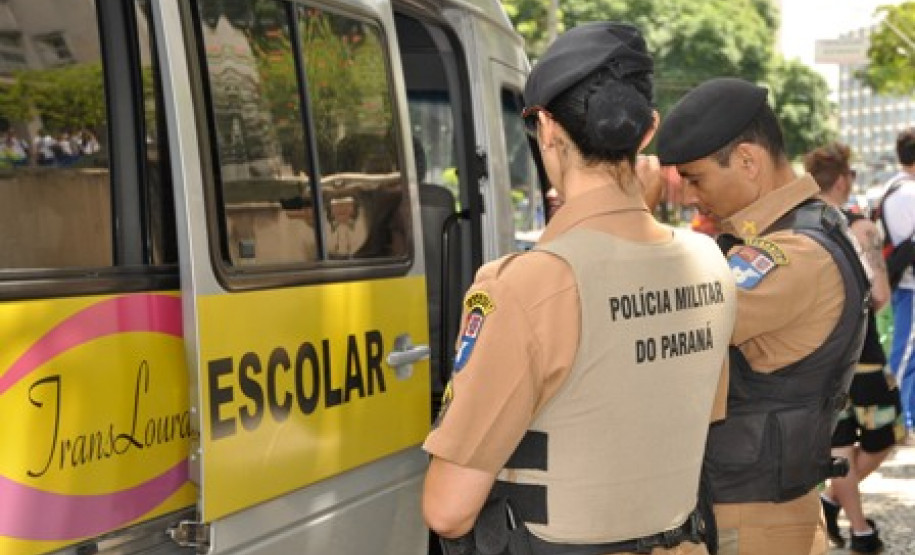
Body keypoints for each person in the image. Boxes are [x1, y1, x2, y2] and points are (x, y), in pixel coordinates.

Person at [422, 22, 737, 555]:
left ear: (546, 128)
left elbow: (448, 511)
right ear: (647, 131)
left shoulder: (527, 285)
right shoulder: (710, 262)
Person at [655, 78, 870, 555]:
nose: (689, 196)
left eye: (695, 178)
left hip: (748, 522)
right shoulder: (800, 230)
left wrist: (627, 213)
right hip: (757, 511)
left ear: (748, 162)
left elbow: (663, 323)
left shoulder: (790, 256)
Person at [804, 142, 903, 553]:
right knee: (885, 433)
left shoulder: (800, 225)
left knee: (840, 441)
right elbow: (879, 295)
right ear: (844, 179)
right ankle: (853, 523)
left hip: (818, 352)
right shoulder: (859, 227)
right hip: (862, 353)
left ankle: (841, 511)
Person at [879, 128, 915, 446]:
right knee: (905, 354)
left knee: (905, 351)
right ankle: (898, 421)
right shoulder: (910, 193)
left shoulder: (892, 186)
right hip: (911, 284)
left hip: (903, 282)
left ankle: (905, 418)